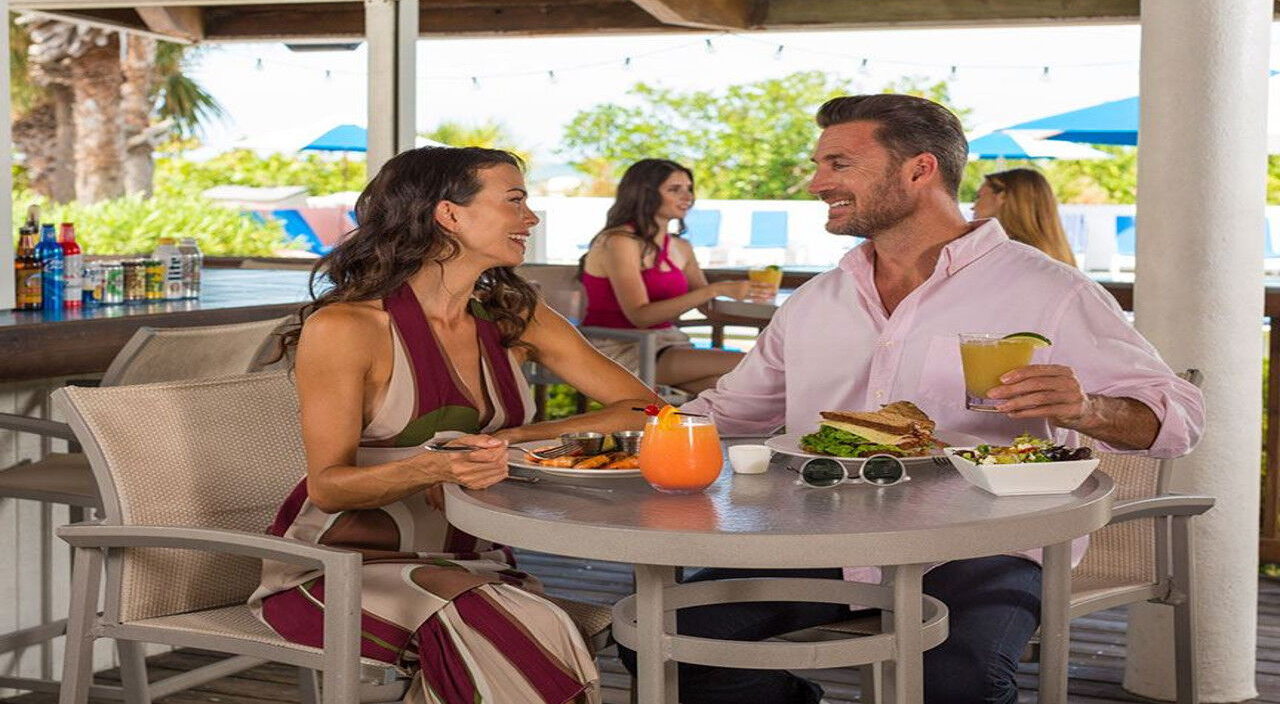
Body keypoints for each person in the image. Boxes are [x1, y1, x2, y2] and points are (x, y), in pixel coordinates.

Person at [619, 95, 1205, 704]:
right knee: (659, 640)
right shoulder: (818, 300)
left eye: (839, 164)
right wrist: (592, 441)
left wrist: (1088, 410)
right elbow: (725, 414)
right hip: (823, 539)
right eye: (819, 164)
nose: (817, 183)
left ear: (920, 170)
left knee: (957, 682)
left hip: (981, 546)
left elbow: (1180, 416)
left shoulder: (1047, 289)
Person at [251, 147, 655, 704]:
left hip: (476, 563)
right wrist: (434, 467)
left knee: (512, 624)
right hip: (340, 568)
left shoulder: (515, 314)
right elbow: (329, 485)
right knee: (511, 629)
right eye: (514, 201)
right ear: (449, 214)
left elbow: (646, 410)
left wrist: (509, 441)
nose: (530, 219)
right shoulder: (347, 327)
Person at [579, 158, 759, 393]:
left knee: (724, 390)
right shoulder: (619, 241)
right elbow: (640, 317)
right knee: (753, 366)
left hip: (667, 343)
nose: (688, 197)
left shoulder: (680, 246)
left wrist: (757, 304)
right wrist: (717, 289)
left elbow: (706, 306)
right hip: (619, 347)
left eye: (689, 189)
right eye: (675, 190)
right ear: (644, 194)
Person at [973, 167, 1076, 265]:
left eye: (978, 197)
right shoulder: (1058, 252)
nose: (973, 207)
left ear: (1002, 197)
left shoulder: (1004, 254)